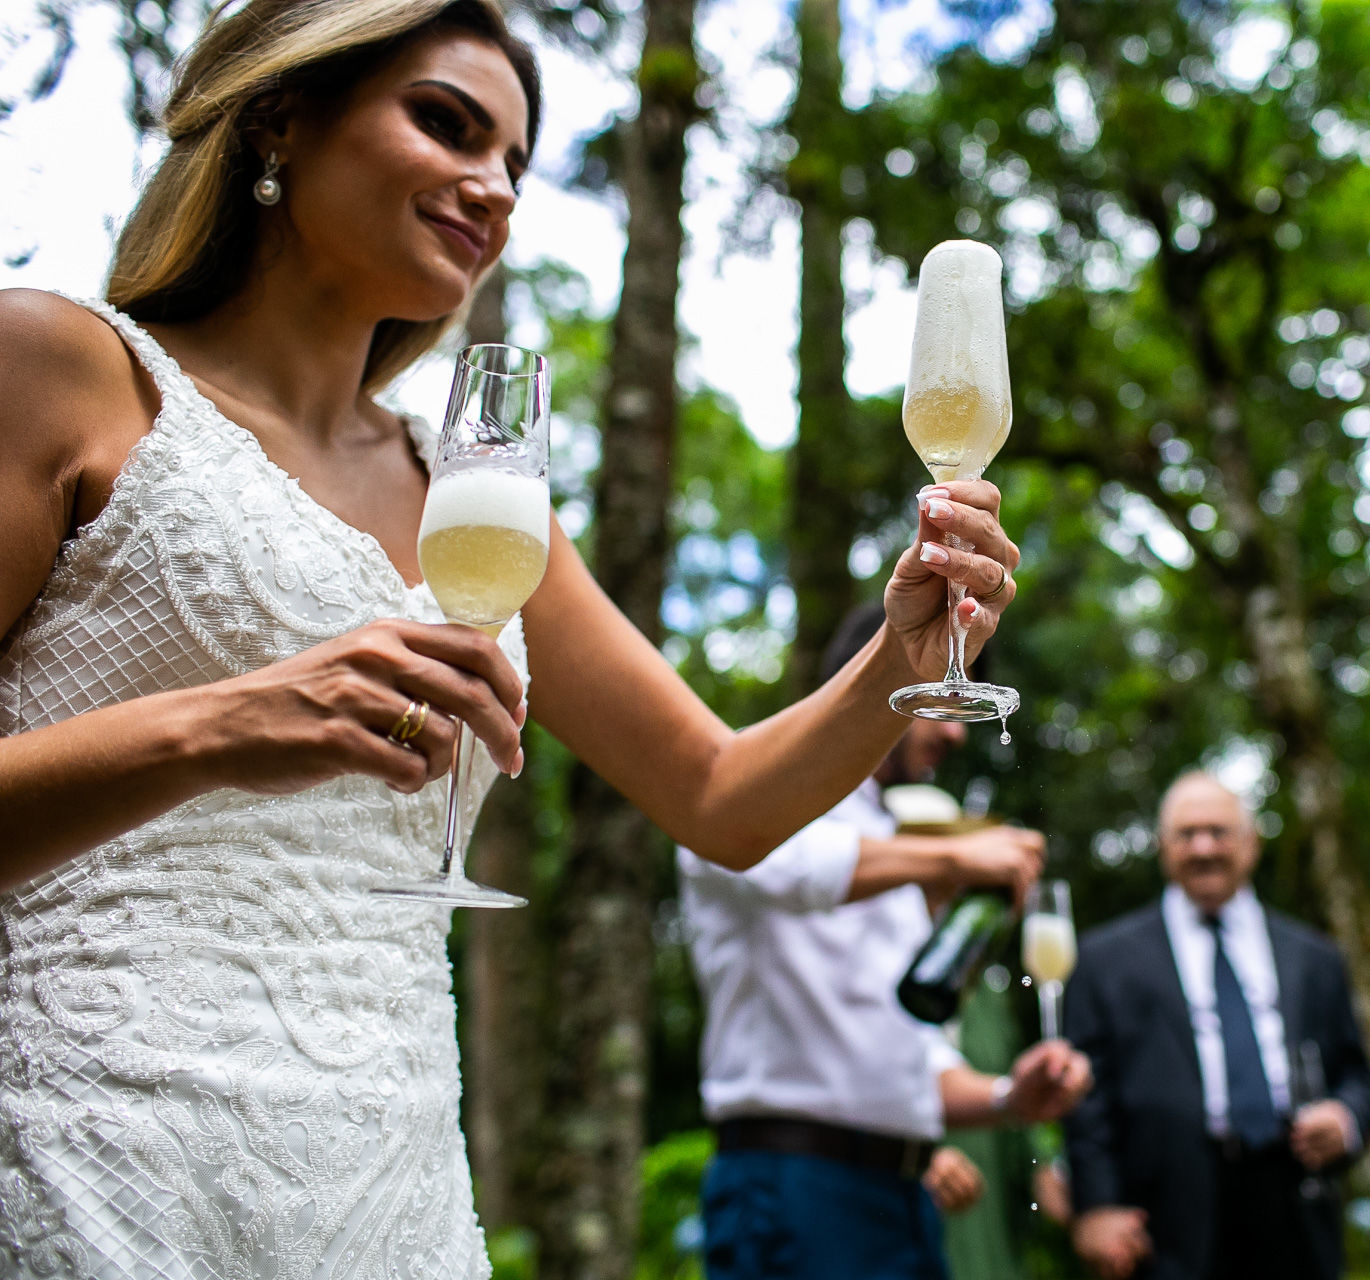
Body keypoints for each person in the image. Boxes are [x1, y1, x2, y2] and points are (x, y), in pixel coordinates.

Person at [0, 3, 1023, 1271]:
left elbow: (723, 797)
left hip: (391, 1187)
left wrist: (900, 664)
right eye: (447, 124)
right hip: (95, 1160)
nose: (492, 189)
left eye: (518, 166)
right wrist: (219, 723)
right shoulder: (55, 366)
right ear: (279, 113)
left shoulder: (475, 495)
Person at [678, 604, 1091, 1280]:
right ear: (870, 677)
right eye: (944, 704)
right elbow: (786, 865)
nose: (957, 738)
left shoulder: (892, 836)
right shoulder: (753, 788)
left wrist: (1007, 1099)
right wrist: (956, 859)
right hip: (792, 1192)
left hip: (904, 1200)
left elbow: (909, 1054)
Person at [1064, 771, 1370, 1280]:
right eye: (1186, 835)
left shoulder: (1315, 957)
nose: (1203, 847)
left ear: (1252, 844)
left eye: (1219, 831)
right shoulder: (1104, 960)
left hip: (1295, 1203)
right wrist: (1097, 1205)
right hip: (1163, 1221)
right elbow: (1086, 1100)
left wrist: (1345, 1120)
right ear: (1164, 848)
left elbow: (1360, 1077)